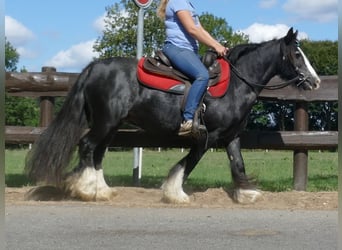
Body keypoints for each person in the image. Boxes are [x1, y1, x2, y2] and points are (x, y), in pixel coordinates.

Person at [157, 0, 228, 136]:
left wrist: (219, 46)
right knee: (202, 75)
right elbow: (192, 29)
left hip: (188, 51)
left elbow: (201, 30)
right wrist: (215, 46)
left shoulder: (188, 5)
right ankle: (188, 120)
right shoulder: (178, 1)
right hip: (177, 48)